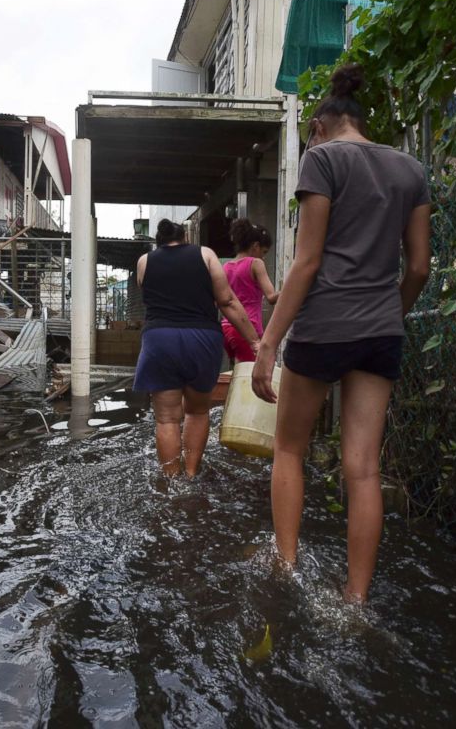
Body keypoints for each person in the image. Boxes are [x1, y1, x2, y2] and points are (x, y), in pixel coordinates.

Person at [251, 64, 432, 603]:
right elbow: (419, 267)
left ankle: (285, 567)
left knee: (288, 449)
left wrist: (267, 345)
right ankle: (355, 601)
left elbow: (306, 264)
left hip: (323, 325)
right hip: (381, 332)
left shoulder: (322, 159)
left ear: (320, 124)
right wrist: (387, 316)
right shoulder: (411, 170)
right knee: (363, 469)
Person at [134, 219, 260, 477]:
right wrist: (255, 340)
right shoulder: (206, 255)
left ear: (159, 242)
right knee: (198, 411)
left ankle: (171, 481)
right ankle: (191, 474)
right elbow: (226, 301)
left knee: (167, 418)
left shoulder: (144, 261)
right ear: (185, 239)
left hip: (160, 340)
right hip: (201, 339)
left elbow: (148, 294)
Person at [221, 219, 279, 364]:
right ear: (255, 246)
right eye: (264, 252)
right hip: (248, 328)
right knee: (249, 379)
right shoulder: (255, 263)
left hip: (227, 328)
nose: (263, 256)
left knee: (237, 375)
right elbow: (271, 297)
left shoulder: (226, 267)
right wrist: (295, 287)